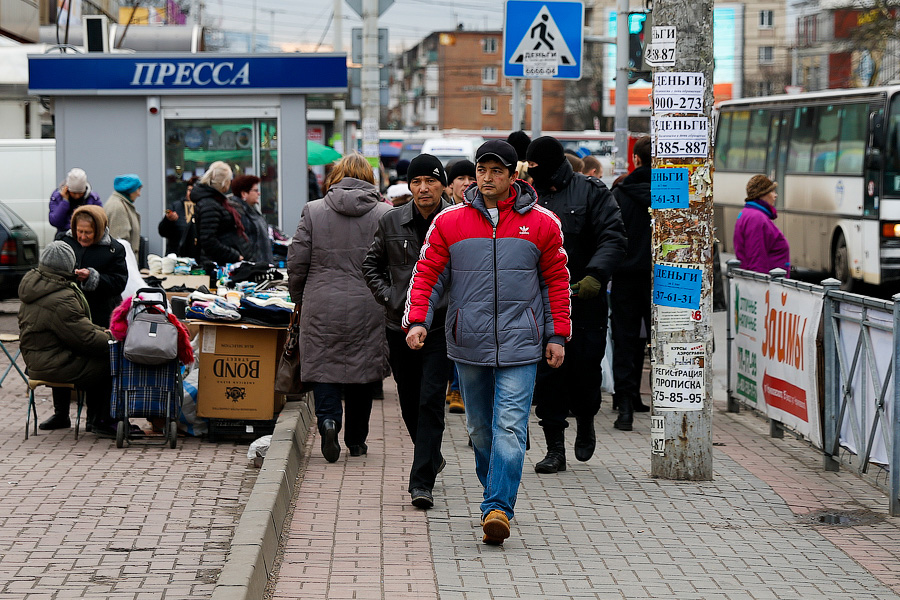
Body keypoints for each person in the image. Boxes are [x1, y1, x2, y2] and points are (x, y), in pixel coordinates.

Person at [403, 140, 571, 545]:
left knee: (510, 426)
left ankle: (497, 507)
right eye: (483, 170)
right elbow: (428, 274)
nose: (489, 178)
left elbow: (556, 281)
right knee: (480, 430)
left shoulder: (544, 223)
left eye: (498, 171)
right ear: (474, 174)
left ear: (514, 175)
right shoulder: (450, 222)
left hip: (522, 343)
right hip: (469, 342)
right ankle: (493, 490)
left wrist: (557, 334)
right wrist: (418, 320)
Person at [526, 135, 627, 474]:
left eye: (537, 165)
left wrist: (596, 276)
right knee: (549, 376)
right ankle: (555, 447)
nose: (532, 172)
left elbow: (613, 236)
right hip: (542, 303)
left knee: (585, 372)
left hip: (584, 300)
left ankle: (586, 419)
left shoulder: (592, 191)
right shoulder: (528, 196)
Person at [363, 154, 453, 509]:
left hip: (442, 325)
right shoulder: (391, 221)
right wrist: (390, 298)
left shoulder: (455, 221)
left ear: (442, 184)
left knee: (431, 399)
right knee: (409, 398)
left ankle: (421, 482)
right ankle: (430, 452)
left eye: (430, 181)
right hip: (398, 325)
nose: (423, 188)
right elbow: (371, 264)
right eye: (416, 182)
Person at [287, 153, 390, 463]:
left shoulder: (314, 210)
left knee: (323, 367)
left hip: (321, 301)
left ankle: (329, 421)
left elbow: (297, 259)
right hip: (369, 302)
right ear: (370, 178)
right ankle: (357, 441)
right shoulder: (385, 213)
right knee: (363, 369)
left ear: (335, 177)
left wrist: (297, 296)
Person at [17, 241, 115, 435]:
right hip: (53, 363)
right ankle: (102, 421)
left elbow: (77, 328)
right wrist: (113, 338)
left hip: (37, 361)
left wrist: (102, 332)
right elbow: (85, 338)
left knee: (99, 354)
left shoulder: (37, 287)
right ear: (69, 265)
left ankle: (80, 417)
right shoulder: (61, 297)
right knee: (110, 360)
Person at [609, 136, 653, 431]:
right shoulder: (670, 190)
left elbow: (611, 235)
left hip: (625, 277)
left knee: (625, 339)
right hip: (660, 279)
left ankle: (625, 404)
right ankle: (664, 399)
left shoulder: (620, 193)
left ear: (636, 159)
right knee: (658, 339)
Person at [443, 159, 477, 414]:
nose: (466, 183)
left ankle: (457, 389)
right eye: (460, 179)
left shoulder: (480, 211)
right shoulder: (442, 215)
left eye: (470, 178)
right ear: (449, 185)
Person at [734, 175, 791, 275]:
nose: (775, 195)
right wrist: (760, 285)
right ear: (762, 194)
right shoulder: (757, 218)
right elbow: (756, 258)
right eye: (772, 191)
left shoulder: (748, 213)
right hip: (767, 284)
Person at [192, 161, 246, 266]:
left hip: (220, 261)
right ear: (224, 182)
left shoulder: (216, 201)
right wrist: (234, 255)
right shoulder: (210, 205)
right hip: (216, 264)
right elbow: (208, 241)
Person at [230, 175, 274, 264]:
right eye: (256, 190)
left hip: (261, 266)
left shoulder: (253, 210)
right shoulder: (238, 213)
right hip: (252, 267)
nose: (259, 193)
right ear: (244, 194)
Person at [49, 168, 102, 237]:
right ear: (67, 189)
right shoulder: (57, 197)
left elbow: (100, 220)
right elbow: (55, 221)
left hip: (87, 238)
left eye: (80, 193)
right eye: (73, 193)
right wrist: (65, 202)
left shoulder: (93, 199)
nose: (77, 196)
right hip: (64, 236)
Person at [158, 176, 200, 258]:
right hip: (177, 255)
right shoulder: (176, 206)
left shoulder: (203, 207)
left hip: (197, 256)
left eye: (193, 190)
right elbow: (162, 232)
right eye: (189, 190)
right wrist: (168, 220)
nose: (190, 193)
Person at [105, 174, 143, 254]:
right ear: (130, 190)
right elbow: (120, 242)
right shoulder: (118, 207)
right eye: (138, 189)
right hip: (124, 263)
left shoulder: (121, 204)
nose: (139, 194)